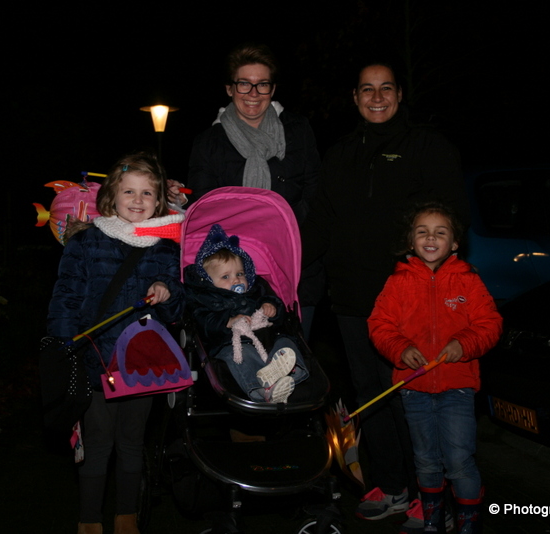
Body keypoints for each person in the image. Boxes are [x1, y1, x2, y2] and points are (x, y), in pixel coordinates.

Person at [300, 62, 468, 520]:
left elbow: (452, 218)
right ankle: (392, 485)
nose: (377, 98)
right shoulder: (341, 153)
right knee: (370, 394)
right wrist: (280, 261)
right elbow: (320, 222)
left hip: (407, 299)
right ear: (355, 98)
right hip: (352, 298)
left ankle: (429, 494)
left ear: (399, 95)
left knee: (410, 394)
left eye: (386, 88)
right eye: (367, 90)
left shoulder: (427, 147)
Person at [46, 152, 185, 534]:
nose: (138, 200)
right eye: (129, 191)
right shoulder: (86, 242)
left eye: (147, 193)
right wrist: (63, 348)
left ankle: (127, 518)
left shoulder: (165, 248)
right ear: (111, 196)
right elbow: (65, 299)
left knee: (131, 443)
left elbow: (178, 310)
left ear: (159, 201)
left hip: (142, 364)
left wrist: (167, 292)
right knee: (97, 444)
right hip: (94, 362)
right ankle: (89, 520)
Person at [368, 203, 502, 534]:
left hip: (457, 388)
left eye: (440, 232)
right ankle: (432, 520)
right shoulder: (397, 282)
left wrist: (464, 344)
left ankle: (468, 522)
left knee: (459, 460)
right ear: (411, 240)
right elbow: (380, 325)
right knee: (426, 460)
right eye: (422, 232)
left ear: (454, 243)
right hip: (414, 389)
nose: (431, 238)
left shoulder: (468, 280)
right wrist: (401, 349)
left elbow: (490, 324)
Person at [187, 43, 322, 337]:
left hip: (295, 264)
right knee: (242, 357)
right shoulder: (208, 142)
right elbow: (206, 207)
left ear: (272, 89)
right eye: (244, 84)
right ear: (229, 88)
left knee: (292, 353)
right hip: (232, 277)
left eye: (262, 84)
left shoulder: (298, 130)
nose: (253, 93)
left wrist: (294, 249)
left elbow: (315, 194)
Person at [185, 224, 309, 403]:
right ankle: (262, 390)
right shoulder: (206, 298)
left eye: (240, 273)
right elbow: (203, 321)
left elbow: (277, 308)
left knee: (286, 342)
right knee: (241, 356)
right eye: (226, 277)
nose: (236, 280)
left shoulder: (256, 289)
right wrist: (227, 321)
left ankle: (287, 374)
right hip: (233, 344)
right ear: (209, 281)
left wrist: (271, 306)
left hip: (268, 340)